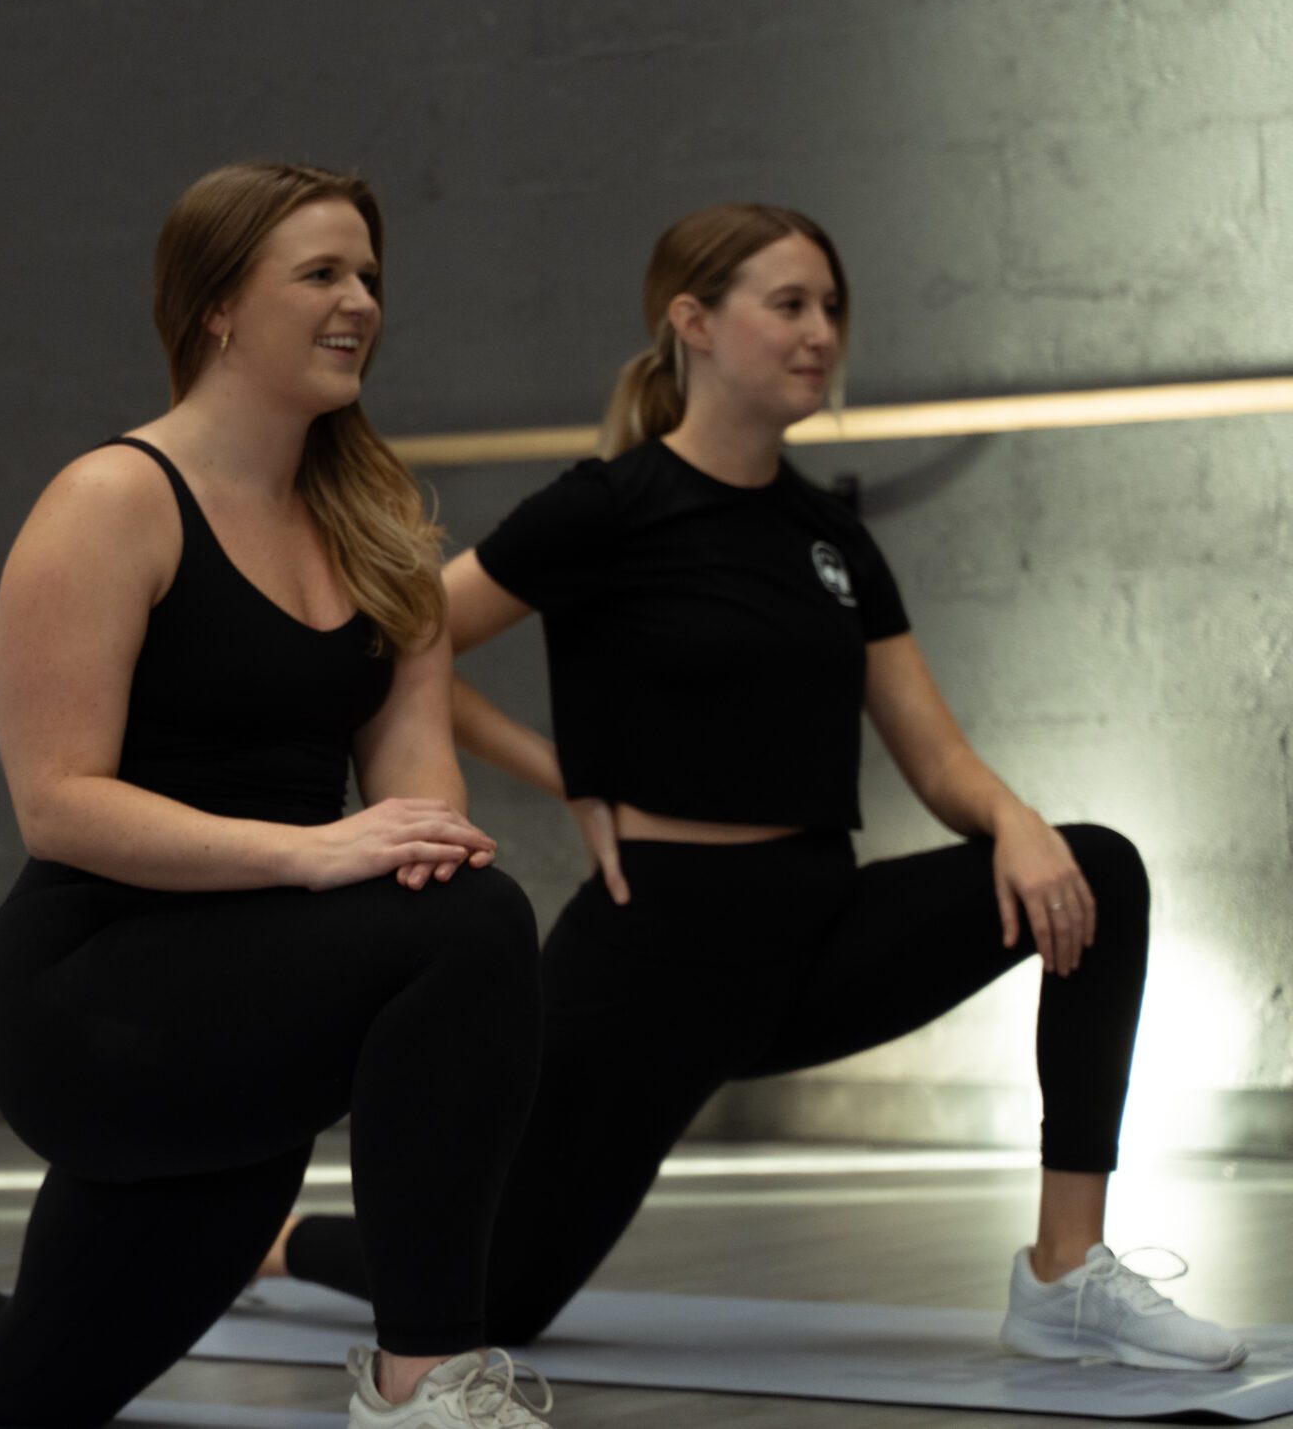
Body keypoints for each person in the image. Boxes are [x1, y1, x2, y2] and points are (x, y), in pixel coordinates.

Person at [269, 202, 1246, 1373]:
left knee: (1100, 869)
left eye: (830, 307)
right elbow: (405, 637)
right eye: (787, 304)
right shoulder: (608, 507)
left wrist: (1015, 821)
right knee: (502, 1291)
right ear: (693, 322)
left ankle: (1064, 1275)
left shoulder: (832, 536)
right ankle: (277, 1246)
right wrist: (562, 774)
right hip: (650, 964)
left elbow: (931, 755)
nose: (820, 331)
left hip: (814, 935)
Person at [0, 162, 552, 1429]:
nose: (360, 303)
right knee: (478, 924)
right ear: (217, 306)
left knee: (30, 1385)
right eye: (320, 274)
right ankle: (423, 1385)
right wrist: (315, 852)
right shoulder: (112, 499)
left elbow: (414, 798)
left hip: (256, 1002)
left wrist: (402, 846)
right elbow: (58, 804)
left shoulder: (381, 527)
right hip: (100, 998)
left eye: (370, 276)